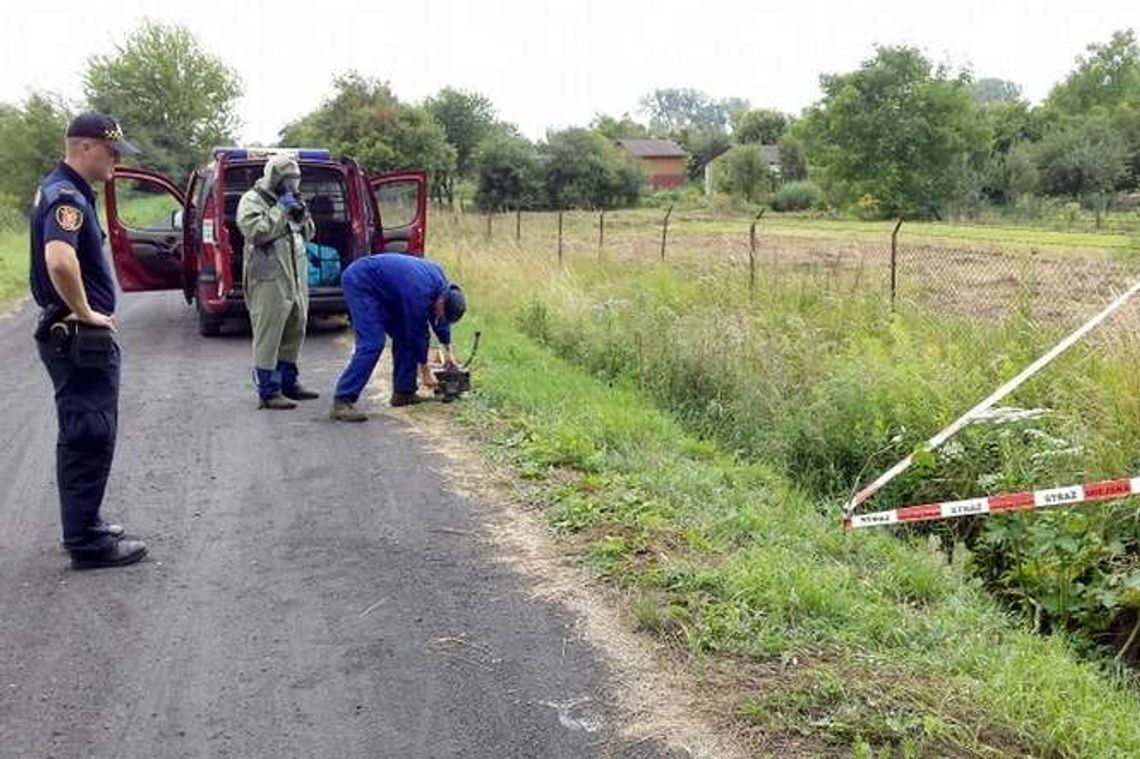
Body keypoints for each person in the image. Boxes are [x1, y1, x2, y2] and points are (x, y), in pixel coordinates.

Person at [30, 112, 147, 569]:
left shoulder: (63, 188)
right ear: (86, 148)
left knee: (84, 430)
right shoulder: (67, 197)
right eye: (112, 151)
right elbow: (59, 260)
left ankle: (86, 524)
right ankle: (86, 542)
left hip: (70, 333)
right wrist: (84, 311)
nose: (116, 159)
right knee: (89, 434)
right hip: (75, 334)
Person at [330, 254, 466, 422]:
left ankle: (404, 392)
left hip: (387, 289)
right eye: (442, 313)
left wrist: (448, 352)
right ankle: (343, 400)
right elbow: (417, 331)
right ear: (442, 302)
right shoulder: (419, 291)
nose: (440, 317)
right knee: (373, 343)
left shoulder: (442, 288)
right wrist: (425, 371)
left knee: (404, 336)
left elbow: (440, 321)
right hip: (362, 282)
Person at [236, 154, 320, 409]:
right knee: (269, 333)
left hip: (294, 275)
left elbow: (309, 234)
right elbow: (256, 232)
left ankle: (288, 382)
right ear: (275, 177)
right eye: (288, 179)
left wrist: (302, 213)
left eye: (295, 180)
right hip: (268, 277)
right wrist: (280, 210)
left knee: (296, 327)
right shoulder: (252, 200)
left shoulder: (292, 199)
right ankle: (268, 390)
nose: (292, 185)